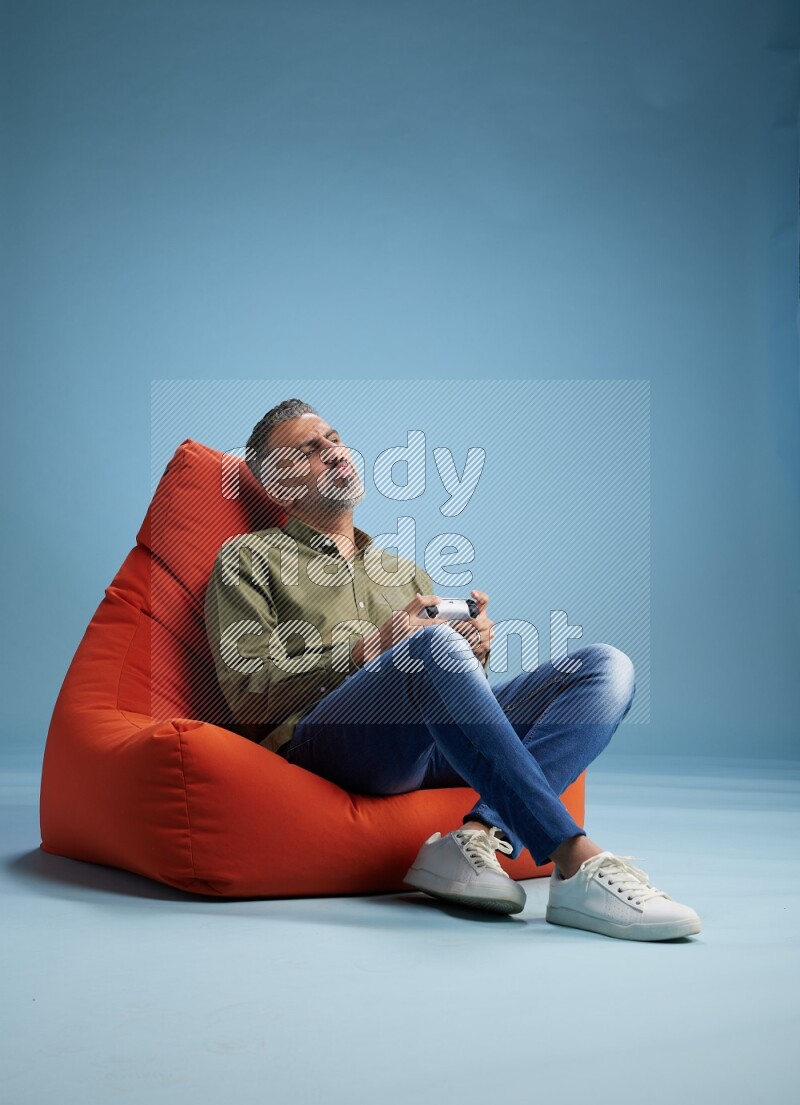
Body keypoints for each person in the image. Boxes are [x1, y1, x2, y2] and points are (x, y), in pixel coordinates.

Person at [204, 398, 701, 941]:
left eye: (334, 439)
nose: (333, 451)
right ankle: (574, 859)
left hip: (427, 746)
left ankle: (475, 837)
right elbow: (246, 692)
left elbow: (461, 712)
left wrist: (473, 652)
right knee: (430, 646)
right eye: (309, 449)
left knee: (605, 666)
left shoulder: (404, 571)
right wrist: (369, 650)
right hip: (325, 746)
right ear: (279, 486)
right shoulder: (247, 558)